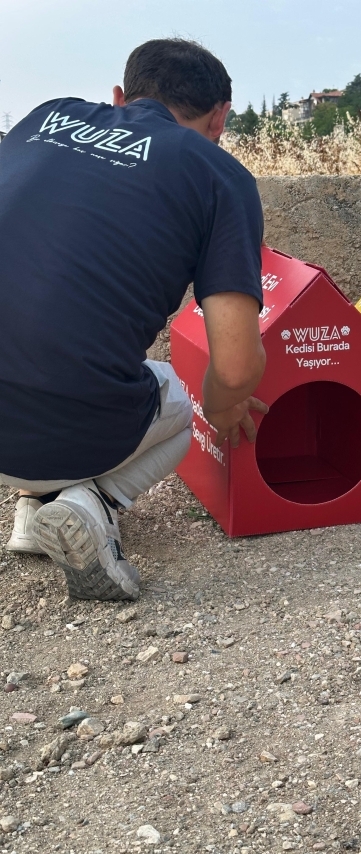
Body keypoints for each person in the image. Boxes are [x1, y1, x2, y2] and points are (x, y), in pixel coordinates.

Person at [0, 39, 267, 602]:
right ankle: (92, 503)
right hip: (56, 427)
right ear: (220, 118)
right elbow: (236, 367)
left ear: (120, 97)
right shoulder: (219, 175)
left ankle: (32, 513)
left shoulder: (45, 118)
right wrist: (222, 408)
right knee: (175, 399)